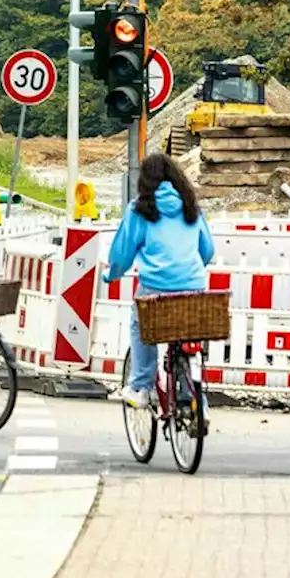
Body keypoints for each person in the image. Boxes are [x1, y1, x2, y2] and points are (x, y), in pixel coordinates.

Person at [103, 152, 216, 412]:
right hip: (193, 285)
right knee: (189, 336)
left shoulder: (140, 209)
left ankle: (141, 386)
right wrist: (189, 270)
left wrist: (112, 275)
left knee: (141, 325)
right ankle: (199, 403)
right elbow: (207, 250)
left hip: (155, 287)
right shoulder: (191, 207)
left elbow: (122, 254)